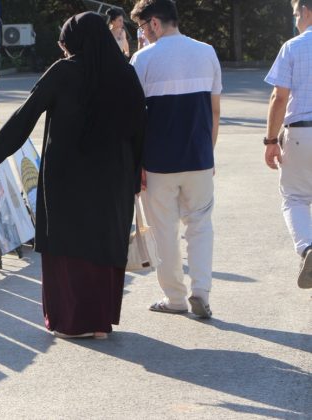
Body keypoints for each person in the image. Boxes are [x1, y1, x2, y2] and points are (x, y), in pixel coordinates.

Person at [0, 12, 146, 339]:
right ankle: (99, 322)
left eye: (65, 43)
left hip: (69, 176)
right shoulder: (125, 73)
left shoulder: (64, 72)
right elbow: (139, 127)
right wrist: (136, 176)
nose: (63, 50)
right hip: (114, 178)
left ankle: (74, 322)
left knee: (70, 245)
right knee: (103, 243)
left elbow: (26, 115)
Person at [129, 0, 222, 318]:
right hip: (198, 156)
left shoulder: (141, 59)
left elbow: (134, 119)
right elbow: (214, 111)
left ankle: (175, 298)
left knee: (163, 229)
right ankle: (201, 292)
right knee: (200, 225)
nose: (142, 34)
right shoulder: (206, 52)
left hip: (157, 162)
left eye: (141, 27)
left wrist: (136, 163)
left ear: (154, 23)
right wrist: (209, 153)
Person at [263, 0, 312, 289]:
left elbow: (279, 98)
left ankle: (307, 248)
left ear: (306, 11)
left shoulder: (293, 47)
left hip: (301, 133)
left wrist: (270, 140)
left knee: (294, 198)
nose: (295, 20)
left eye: (295, 14)